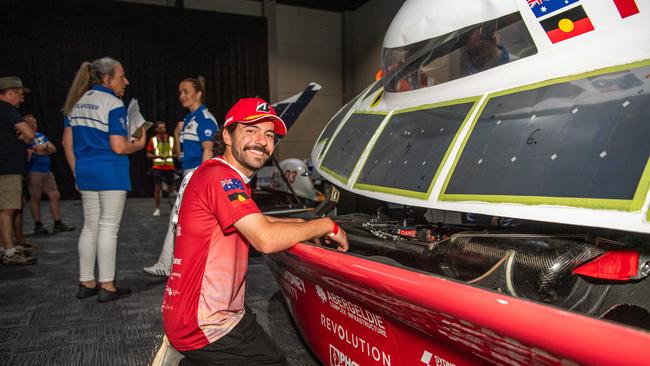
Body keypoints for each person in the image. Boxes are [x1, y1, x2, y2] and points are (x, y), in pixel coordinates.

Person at [161, 97, 349, 365]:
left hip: (215, 312)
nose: (262, 140)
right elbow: (265, 238)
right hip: (205, 325)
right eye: (251, 130)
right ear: (227, 135)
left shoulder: (220, 174)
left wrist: (302, 226)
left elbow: (256, 222)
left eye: (269, 134)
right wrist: (325, 225)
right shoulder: (222, 178)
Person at [62, 57, 146, 302]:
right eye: (122, 76)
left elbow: (67, 143)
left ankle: (86, 282)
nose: (126, 81)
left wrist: (77, 173)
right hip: (110, 172)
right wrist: (139, 143)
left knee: (90, 226)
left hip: (86, 171)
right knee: (109, 227)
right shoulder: (113, 103)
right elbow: (119, 147)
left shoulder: (76, 103)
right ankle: (107, 286)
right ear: (108, 78)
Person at [143, 76, 218, 277]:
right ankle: (179, 265)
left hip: (197, 174)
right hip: (187, 172)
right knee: (182, 221)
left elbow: (209, 151)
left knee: (179, 220)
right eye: (180, 92)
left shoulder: (205, 119)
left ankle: (168, 265)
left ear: (198, 93)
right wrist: (177, 135)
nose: (182, 96)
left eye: (186, 91)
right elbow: (179, 156)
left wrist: (201, 180)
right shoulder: (188, 120)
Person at [0, 76, 44, 266]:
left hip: (5, 167)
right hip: (7, 168)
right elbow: (30, 134)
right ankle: (9, 252)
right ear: (9, 93)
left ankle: (5, 247)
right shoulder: (7, 109)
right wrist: (25, 136)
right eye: (19, 94)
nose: (22, 99)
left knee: (6, 209)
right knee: (7, 210)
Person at [24, 114, 75, 235]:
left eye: (34, 122)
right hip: (34, 171)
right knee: (35, 198)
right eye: (30, 123)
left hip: (46, 170)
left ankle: (57, 223)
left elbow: (52, 149)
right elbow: (32, 152)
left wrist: (43, 149)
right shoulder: (24, 138)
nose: (33, 125)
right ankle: (38, 225)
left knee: (55, 195)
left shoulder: (40, 135)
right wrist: (41, 149)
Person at [147, 121, 176, 217]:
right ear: (156, 129)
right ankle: (157, 209)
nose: (163, 129)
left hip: (169, 167)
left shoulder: (172, 139)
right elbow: (148, 154)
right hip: (158, 167)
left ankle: (174, 207)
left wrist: (172, 155)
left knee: (171, 190)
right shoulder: (153, 140)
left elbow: (177, 153)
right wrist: (157, 155)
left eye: (164, 127)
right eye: (161, 127)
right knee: (157, 189)